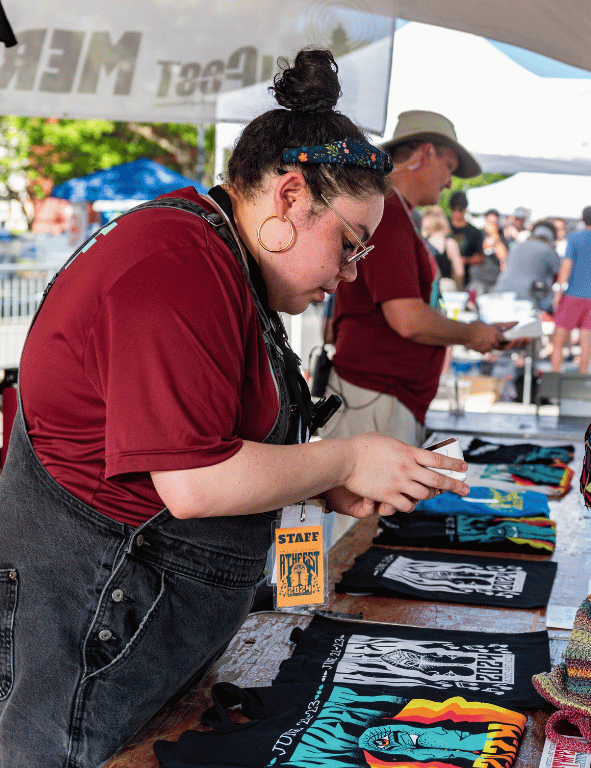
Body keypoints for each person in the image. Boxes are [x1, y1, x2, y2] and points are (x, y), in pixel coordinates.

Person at [0, 49, 471, 768]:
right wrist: (346, 455)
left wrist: (320, 481)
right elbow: (194, 482)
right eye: (347, 245)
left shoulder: (225, 263)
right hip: (85, 642)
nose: (349, 274)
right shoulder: (174, 263)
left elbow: (227, 445)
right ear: (287, 198)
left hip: (141, 636)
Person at [321, 110, 512, 447]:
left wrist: (481, 334)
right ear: (426, 154)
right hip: (375, 397)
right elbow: (407, 319)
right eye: (449, 168)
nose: (449, 182)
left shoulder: (396, 212)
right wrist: (470, 334)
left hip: (380, 396)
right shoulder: (390, 212)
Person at [549, 206, 591, 374]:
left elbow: (566, 267)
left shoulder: (574, 238)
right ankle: (582, 376)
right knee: (587, 341)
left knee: (558, 341)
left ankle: (555, 375)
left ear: (582, 219)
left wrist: (558, 291)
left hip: (572, 294)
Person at [493, 218, 561, 305]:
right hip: (525, 298)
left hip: (501, 290)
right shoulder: (549, 251)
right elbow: (559, 274)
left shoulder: (517, 245)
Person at [421, 205, 464, 292]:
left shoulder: (423, 243)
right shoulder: (450, 243)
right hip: (447, 287)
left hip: (429, 288)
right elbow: (459, 272)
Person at [447, 190, 483, 290]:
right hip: (444, 275)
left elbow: (480, 257)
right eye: (454, 209)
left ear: (465, 209)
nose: (456, 213)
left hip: (464, 279)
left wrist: (464, 260)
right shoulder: (444, 226)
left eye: (460, 209)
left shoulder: (474, 232)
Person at [471, 208, 508, 295]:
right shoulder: (478, 233)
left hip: (495, 279)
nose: (492, 225)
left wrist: (495, 236)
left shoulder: (501, 236)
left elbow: (503, 256)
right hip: (478, 278)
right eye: (490, 222)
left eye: (494, 223)